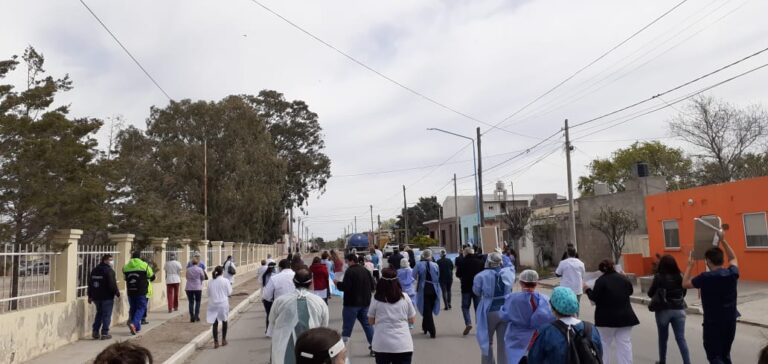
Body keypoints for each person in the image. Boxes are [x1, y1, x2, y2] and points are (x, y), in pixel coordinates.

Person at [683, 234, 740, 364]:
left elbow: (685, 284)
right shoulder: (732, 274)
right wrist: (723, 240)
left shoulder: (705, 277)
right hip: (730, 321)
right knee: (725, 355)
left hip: (713, 324)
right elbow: (733, 257)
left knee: (714, 357)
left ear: (708, 261)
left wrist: (690, 266)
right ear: (721, 260)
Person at [269, 268, 330, 364]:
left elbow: (272, 322)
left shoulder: (280, 301)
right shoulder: (320, 302)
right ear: (311, 283)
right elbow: (324, 328)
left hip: (282, 351)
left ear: (294, 282)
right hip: (311, 351)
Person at [584, 259, 639, 364]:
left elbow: (594, 298)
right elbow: (630, 291)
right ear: (614, 267)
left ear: (601, 270)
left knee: (604, 345)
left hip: (605, 320)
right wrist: (625, 276)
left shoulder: (600, 281)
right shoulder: (623, 279)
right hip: (625, 318)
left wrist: (587, 289)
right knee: (624, 345)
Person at [528, 286, 603, 363]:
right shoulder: (591, 328)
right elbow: (598, 354)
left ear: (553, 307)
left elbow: (534, 359)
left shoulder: (546, 331)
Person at [499, 269, 555, 364]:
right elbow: (548, 317)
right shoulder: (544, 299)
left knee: (514, 359)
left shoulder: (512, 298)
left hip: (515, 336)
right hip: (535, 336)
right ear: (536, 283)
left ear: (521, 283)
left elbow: (504, 316)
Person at [368, 268, 417, 364]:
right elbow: (412, 320)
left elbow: (370, 321)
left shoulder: (376, 298)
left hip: (382, 344)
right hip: (403, 344)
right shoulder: (405, 297)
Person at [473, 252, 515, 364]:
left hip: (489, 309)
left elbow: (476, 292)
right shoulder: (508, 273)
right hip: (505, 310)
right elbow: (511, 269)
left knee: (487, 341)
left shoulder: (481, 275)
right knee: (503, 342)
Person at [648, 255, 691, 364]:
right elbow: (684, 293)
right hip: (679, 310)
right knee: (681, 338)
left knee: (663, 338)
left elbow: (650, 293)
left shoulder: (659, 277)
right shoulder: (680, 276)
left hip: (663, 310)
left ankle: (662, 361)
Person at [337, 253, 376, 356]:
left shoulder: (350, 271)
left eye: (347, 261)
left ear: (351, 261)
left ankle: (342, 351)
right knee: (368, 326)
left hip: (351, 304)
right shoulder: (366, 271)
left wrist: (337, 283)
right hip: (365, 303)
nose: (346, 263)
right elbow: (373, 286)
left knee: (347, 328)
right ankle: (374, 348)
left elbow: (345, 287)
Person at [88, 254, 120, 340]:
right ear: (105, 260)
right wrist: (117, 292)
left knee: (99, 313)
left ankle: (95, 331)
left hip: (96, 297)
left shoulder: (94, 270)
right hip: (107, 297)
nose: (111, 262)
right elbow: (112, 284)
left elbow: (90, 284)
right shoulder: (109, 271)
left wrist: (90, 295)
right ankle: (105, 333)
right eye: (110, 260)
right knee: (106, 315)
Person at [123, 251, 155, 335]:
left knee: (133, 308)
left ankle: (136, 328)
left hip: (130, 291)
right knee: (141, 308)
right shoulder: (144, 265)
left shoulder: (126, 267)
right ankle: (134, 323)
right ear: (140, 257)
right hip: (141, 291)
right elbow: (152, 276)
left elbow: (125, 278)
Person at [456, 246, 485, 336]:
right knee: (478, 308)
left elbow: (458, 274)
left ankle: (468, 323)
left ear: (466, 253)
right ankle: (479, 327)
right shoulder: (480, 262)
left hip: (465, 288)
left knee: (465, 307)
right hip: (477, 288)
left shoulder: (462, 262)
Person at [413, 249, 441, 338]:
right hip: (435, 289)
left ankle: (432, 331)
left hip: (424, 289)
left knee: (427, 310)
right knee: (428, 309)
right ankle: (425, 327)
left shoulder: (419, 265)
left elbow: (413, 275)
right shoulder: (435, 265)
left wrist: (420, 278)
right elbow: (438, 276)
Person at [207, 265, 232, 348]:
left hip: (213, 304)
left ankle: (216, 342)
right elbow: (229, 293)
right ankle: (224, 340)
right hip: (223, 304)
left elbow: (208, 294)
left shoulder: (210, 281)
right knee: (224, 321)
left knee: (215, 323)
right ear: (222, 272)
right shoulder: (226, 281)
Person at [185, 256, 206, 322]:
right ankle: (196, 316)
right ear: (197, 263)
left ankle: (192, 316)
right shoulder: (200, 269)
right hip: (197, 287)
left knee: (191, 302)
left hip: (189, 287)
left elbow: (187, 277)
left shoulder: (188, 269)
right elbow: (203, 277)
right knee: (198, 302)